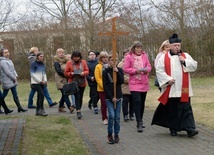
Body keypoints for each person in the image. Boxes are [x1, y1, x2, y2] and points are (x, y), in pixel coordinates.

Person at [151, 33, 199, 137]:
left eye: (178, 45)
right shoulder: (164, 57)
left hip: (184, 88)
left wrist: (185, 61)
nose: (177, 47)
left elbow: (194, 65)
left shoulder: (185, 55)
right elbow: (159, 70)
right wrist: (167, 80)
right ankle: (173, 128)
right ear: (170, 46)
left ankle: (190, 129)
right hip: (171, 88)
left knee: (186, 109)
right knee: (173, 110)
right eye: (175, 45)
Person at [123, 41, 152, 132]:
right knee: (137, 101)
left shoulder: (145, 56)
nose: (139, 49)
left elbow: (149, 66)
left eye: (140, 48)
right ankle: (138, 122)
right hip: (134, 82)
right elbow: (126, 69)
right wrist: (136, 71)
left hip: (144, 82)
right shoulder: (129, 57)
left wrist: (146, 69)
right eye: (137, 48)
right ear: (134, 48)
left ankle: (141, 119)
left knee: (142, 102)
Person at [103, 54, 124, 144]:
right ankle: (109, 134)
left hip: (118, 97)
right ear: (109, 61)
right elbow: (105, 86)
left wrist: (117, 72)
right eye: (111, 60)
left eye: (115, 60)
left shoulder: (120, 70)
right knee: (111, 116)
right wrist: (111, 97)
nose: (113, 62)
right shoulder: (106, 72)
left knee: (117, 117)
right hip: (110, 98)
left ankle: (116, 134)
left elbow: (121, 81)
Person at [0, 48, 27, 113]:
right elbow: (7, 72)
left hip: (12, 80)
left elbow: (13, 69)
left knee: (15, 95)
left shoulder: (9, 61)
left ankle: (19, 107)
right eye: (5, 52)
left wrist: (16, 75)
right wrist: (13, 78)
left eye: (7, 52)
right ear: (2, 54)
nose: (7, 53)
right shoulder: (2, 62)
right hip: (7, 81)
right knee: (3, 95)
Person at [64, 51, 89, 119]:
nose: (76, 58)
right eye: (75, 57)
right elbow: (66, 72)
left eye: (78, 57)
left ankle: (79, 108)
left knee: (80, 97)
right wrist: (71, 74)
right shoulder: (69, 63)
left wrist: (83, 73)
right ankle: (78, 111)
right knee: (77, 96)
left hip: (82, 82)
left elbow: (87, 70)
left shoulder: (83, 62)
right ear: (73, 57)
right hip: (74, 83)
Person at [54, 48, 75, 113]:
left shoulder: (67, 61)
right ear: (57, 54)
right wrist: (67, 74)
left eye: (62, 52)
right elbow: (59, 71)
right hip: (60, 79)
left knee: (64, 94)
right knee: (65, 93)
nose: (61, 54)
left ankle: (60, 107)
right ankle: (70, 107)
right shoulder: (56, 62)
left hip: (66, 79)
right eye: (59, 53)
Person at [118, 48, 134, 122]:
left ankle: (131, 114)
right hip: (125, 85)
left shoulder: (133, 62)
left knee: (133, 101)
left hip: (133, 85)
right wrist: (128, 79)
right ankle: (125, 114)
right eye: (125, 54)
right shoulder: (121, 64)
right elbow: (120, 74)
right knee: (125, 101)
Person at [30, 51, 48, 116]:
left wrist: (45, 80)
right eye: (41, 56)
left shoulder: (43, 64)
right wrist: (39, 80)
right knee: (42, 95)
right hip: (35, 82)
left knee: (39, 96)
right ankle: (41, 109)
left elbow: (44, 73)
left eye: (43, 56)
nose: (42, 58)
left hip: (42, 82)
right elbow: (32, 74)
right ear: (37, 57)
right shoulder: (33, 64)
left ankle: (37, 111)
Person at [94, 51, 109, 125]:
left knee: (110, 103)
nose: (105, 59)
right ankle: (104, 117)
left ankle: (111, 116)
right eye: (103, 57)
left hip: (110, 88)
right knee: (104, 104)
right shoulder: (98, 66)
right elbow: (98, 78)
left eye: (106, 57)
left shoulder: (110, 66)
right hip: (102, 88)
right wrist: (104, 86)